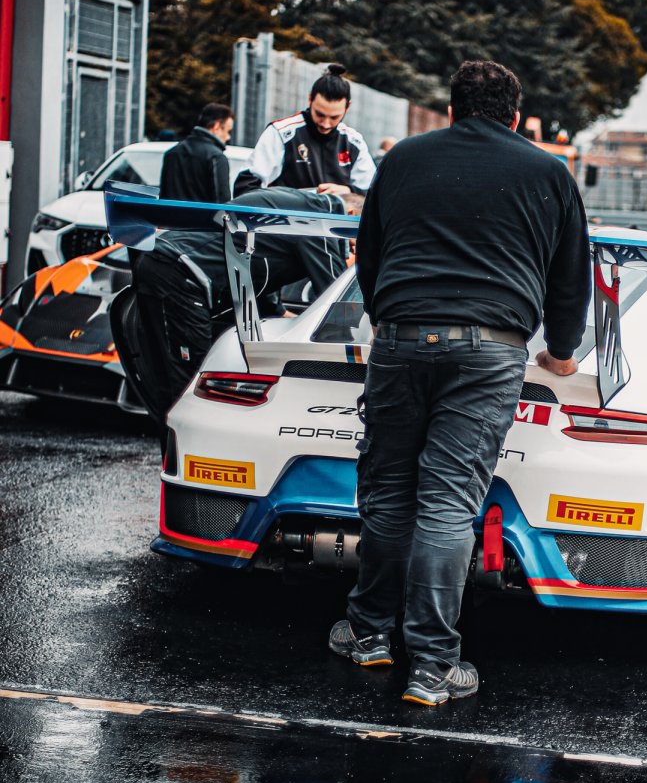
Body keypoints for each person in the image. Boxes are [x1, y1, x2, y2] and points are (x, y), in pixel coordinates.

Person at [328, 58, 592, 707]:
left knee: (388, 492)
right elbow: (570, 279)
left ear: (450, 111)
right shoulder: (549, 174)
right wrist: (560, 354)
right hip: (490, 351)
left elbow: (369, 255)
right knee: (447, 504)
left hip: (400, 336)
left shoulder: (403, 159)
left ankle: (368, 633)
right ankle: (432, 667)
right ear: (517, 118)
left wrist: (390, 317)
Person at [115, 186, 346, 438]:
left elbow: (255, 258)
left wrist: (284, 315)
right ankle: (191, 457)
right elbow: (338, 299)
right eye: (355, 244)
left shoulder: (293, 203)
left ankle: (175, 457)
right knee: (191, 384)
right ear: (352, 213)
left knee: (171, 381)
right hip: (179, 271)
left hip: (164, 262)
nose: (352, 252)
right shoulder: (320, 218)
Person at [233, 63, 375, 207]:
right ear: (310, 99)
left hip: (335, 221)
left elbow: (374, 193)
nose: (326, 124)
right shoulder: (282, 133)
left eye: (334, 117)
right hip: (286, 220)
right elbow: (245, 187)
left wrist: (348, 191)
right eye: (320, 114)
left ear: (347, 107)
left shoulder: (354, 142)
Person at [158, 104, 234, 203]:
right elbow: (222, 203)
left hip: (169, 213)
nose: (228, 137)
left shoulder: (172, 153)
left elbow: (164, 195)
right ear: (216, 126)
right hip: (203, 214)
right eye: (228, 131)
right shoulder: (216, 157)